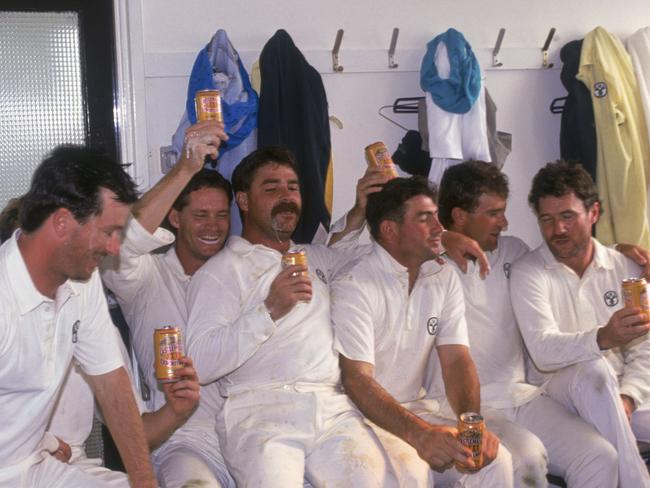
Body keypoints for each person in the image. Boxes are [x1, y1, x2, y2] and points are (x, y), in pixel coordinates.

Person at [186, 146, 398, 487]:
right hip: (260, 411)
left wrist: (366, 209)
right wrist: (268, 311)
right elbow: (199, 362)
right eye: (271, 189)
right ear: (243, 201)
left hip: (332, 408)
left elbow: (382, 261)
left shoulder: (316, 258)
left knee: (382, 480)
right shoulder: (223, 270)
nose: (286, 197)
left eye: (293, 187)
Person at [438, 160, 619, 487]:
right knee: (528, 459)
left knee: (599, 456)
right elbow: (371, 249)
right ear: (459, 216)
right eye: (494, 213)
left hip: (522, 396)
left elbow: (564, 254)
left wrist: (623, 253)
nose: (504, 222)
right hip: (458, 407)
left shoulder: (514, 251)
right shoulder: (428, 264)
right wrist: (440, 238)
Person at [330, 176, 514, 488]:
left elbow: (457, 359)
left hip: (414, 410)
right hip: (359, 417)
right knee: (412, 473)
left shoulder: (443, 275)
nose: (439, 229)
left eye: (436, 217)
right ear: (389, 230)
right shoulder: (355, 283)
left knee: (495, 463)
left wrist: (472, 425)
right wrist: (420, 435)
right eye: (424, 218)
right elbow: (356, 380)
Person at [0, 145, 156, 487]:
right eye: (108, 231)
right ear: (61, 222)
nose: (114, 248)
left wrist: (145, 483)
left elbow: (111, 383)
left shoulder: (81, 282)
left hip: (35, 467)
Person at [100, 120, 236, 487]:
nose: (213, 226)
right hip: (185, 441)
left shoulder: (242, 272)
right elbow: (124, 239)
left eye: (222, 215)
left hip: (252, 431)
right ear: (175, 218)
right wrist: (186, 167)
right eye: (201, 215)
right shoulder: (144, 276)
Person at [511, 160, 650, 488]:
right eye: (547, 220)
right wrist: (604, 336)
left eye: (567, 217)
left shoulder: (627, 266)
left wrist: (629, 397)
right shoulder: (528, 271)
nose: (557, 230)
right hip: (558, 394)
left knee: (605, 381)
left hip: (620, 392)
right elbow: (543, 351)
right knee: (593, 368)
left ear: (594, 212)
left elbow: (645, 347)